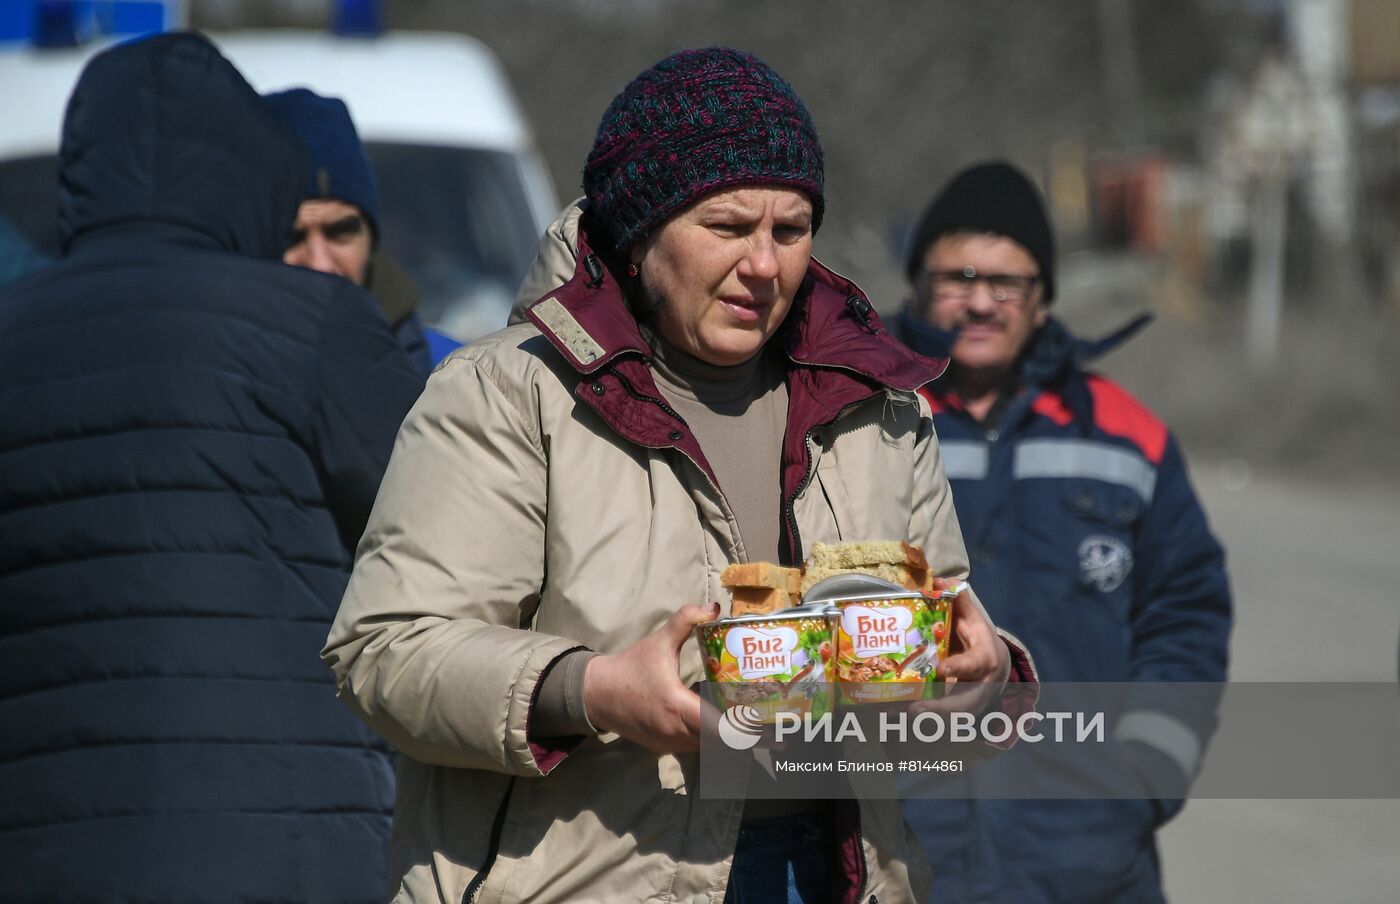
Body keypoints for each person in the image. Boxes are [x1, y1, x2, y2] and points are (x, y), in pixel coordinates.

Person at [324, 48, 1037, 904]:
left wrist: (979, 679)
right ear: (639, 233)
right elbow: (386, 652)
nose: (766, 265)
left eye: (791, 229)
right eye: (729, 228)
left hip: (830, 874)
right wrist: (594, 691)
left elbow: (937, 650)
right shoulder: (510, 392)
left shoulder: (877, 403)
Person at [0, 33, 423, 902]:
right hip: (297, 847)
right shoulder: (313, 325)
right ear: (257, 175)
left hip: (44, 852)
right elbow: (449, 536)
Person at [892, 161, 1232, 904]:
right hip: (896, 861)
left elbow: (1186, 614)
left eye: (1007, 283)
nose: (980, 303)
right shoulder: (849, 422)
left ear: (1042, 300)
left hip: (1089, 867)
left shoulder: (1126, 438)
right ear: (915, 282)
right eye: (958, 277)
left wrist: (1147, 773)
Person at [263, 87, 462, 373]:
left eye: (340, 232)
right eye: (292, 237)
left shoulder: (456, 379)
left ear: (370, 238)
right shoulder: (209, 375)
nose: (319, 263)